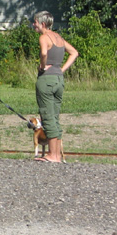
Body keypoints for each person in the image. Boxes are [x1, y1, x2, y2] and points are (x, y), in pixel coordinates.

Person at [33, 10, 78, 162]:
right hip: (59, 79)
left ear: (42, 24)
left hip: (47, 80)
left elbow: (44, 53)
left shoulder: (44, 37)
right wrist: (61, 69)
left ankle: (52, 155)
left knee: (47, 116)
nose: (34, 25)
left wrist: (42, 66)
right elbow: (74, 53)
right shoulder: (59, 38)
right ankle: (57, 155)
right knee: (55, 116)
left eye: (35, 22)